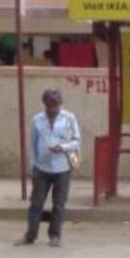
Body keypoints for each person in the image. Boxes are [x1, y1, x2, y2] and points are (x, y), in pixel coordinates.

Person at [15, 89, 81, 248]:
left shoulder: (69, 118)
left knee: (59, 204)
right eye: (49, 106)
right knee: (36, 204)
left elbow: (76, 141)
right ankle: (30, 235)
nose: (52, 110)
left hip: (63, 166)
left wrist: (63, 147)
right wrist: (31, 166)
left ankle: (55, 235)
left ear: (60, 105)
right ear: (45, 105)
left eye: (55, 106)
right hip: (42, 168)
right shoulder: (37, 120)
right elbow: (33, 144)